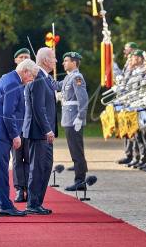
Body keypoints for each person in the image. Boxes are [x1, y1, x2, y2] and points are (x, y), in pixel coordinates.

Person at [0, 58, 39, 216]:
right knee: (0, 170)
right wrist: (15, 135)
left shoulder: (9, 77)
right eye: (32, 76)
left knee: (0, 169)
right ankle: (5, 206)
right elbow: (8, 113)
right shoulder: (14, 83)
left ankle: (4, 204)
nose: (32, 79)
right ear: (25, 71)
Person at [22, 47, 57, 215]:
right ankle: (32, 204)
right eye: (53, 58)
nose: (56, 61)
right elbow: (38, 108)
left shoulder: (45, 77)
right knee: (37, 168)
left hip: (44, 132)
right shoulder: (38, 78)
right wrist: (47, 129)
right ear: (45, 60)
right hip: (39, 132)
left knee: (45, 166)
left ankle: (37, 202)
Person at [56, 52, 89, 191]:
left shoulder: (77, 77)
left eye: (66, 60)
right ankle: (80, 178)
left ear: (74, 63)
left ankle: (80, 180)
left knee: (77, 152)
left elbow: (83, 100)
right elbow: (57, 85)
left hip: (74, 119)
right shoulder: (69, 77)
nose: (63, 63)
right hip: (69, 119)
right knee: (74, 150)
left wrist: (80, 118)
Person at [11, 48, 32, 203]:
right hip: (17, 127)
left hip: (31, 127)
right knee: (18, 159)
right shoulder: (12, 80)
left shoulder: (35, 79)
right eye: (21, 57)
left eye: (27, 57)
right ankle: (19, 189)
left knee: (31, 159)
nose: (24, 59)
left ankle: (31, 189)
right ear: (16, 60)